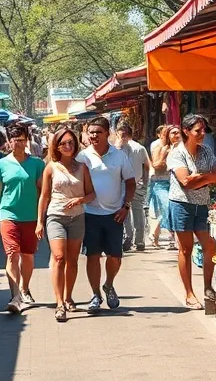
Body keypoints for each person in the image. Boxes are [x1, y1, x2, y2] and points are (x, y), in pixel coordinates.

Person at [76, 116, 136, 314]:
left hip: (114, 214)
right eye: (91, 132)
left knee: (115, 257)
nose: (94, 135)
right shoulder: (82, 157)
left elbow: (130, 182)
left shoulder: (119, 156)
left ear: (107, 133)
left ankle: (109, 285)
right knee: (92, 256)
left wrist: (125, 206)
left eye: (98, 132)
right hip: (89, 214)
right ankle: (95, 295)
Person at [35, 127, 96, 322]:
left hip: (77, 217)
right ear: (57, 146)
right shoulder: (51, 167)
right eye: (63, 143)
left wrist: (80, 200)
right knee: (59, 257)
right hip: (56, 216)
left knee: (73, 259)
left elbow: (91, 194)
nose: (67, 146)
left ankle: (69, 296)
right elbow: (44, 196)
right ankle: (59, 302)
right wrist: (39, 222)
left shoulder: (82, 168)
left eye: (71, 142)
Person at [167, 114, 216, 309]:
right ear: (186, 131)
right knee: (185, 249)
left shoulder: (206, 151)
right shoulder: (177, 153)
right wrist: (204, 179)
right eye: (197, 131)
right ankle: (189, 293)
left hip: (202, 206)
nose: (201, 134)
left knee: (209, 245)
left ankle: (208, 286)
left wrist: (200, 177)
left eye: (203, 131)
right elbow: (185, 183)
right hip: (181, 205)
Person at [0, 123, 46, 314]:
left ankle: (24, 288)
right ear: (8, 142)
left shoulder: (37, 164)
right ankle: (15, 296)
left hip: (30, 216)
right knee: (12, 254)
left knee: (28, 255)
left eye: (21, 141)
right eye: (14, 141)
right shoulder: (1, 164)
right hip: (8, 215)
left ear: (27, 140)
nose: (18, 145)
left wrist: (41, 218)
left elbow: (42, 192)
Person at [115, 122, 150, 252]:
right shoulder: (135, 148)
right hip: (127, 184)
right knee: (133, 213)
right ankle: (135, 240)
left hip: (129, 185)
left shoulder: (136, 148)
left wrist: (144, 182)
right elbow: (146, 165)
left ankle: (132, 239)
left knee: (131, 212)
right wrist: (144, 181)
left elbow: (146, 165)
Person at [149, 124, 180, 249]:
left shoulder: (182, 148)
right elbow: (155, 165)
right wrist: (164, 156)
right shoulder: (160, 147)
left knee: (172, 210)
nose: (176, 135)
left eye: (178, 133)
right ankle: (170, 236)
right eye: (173, 133)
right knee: (167, 208)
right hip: (161, 183)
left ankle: (169, 238)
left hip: (176, 183)